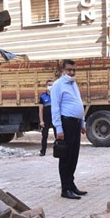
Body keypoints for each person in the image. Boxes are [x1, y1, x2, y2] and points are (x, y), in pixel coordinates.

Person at [51, 59, 87, 200]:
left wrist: (82, 123)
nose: (72, 72)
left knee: (74, 156)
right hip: (66, 124)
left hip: (76, 123)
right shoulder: (58, 85)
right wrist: (59, 128)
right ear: (62, 70)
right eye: (69, 70)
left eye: (73, 70)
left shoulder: (73, 83)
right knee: (65, 157)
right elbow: (55, 108)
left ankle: (71, 185)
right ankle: (65, 189)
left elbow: (78, 102)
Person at [38, 79, 55, 156]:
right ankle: (43, 151)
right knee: (44, 136)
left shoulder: (56, 96)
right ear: (46, 86)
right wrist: (41, 121)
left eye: (52, 85)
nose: (50, 86)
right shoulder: (42, 96)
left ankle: (57, 151)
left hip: (55, 118)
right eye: (49, 85)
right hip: (46, 119)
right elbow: (40, 110)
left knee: (57, 136)